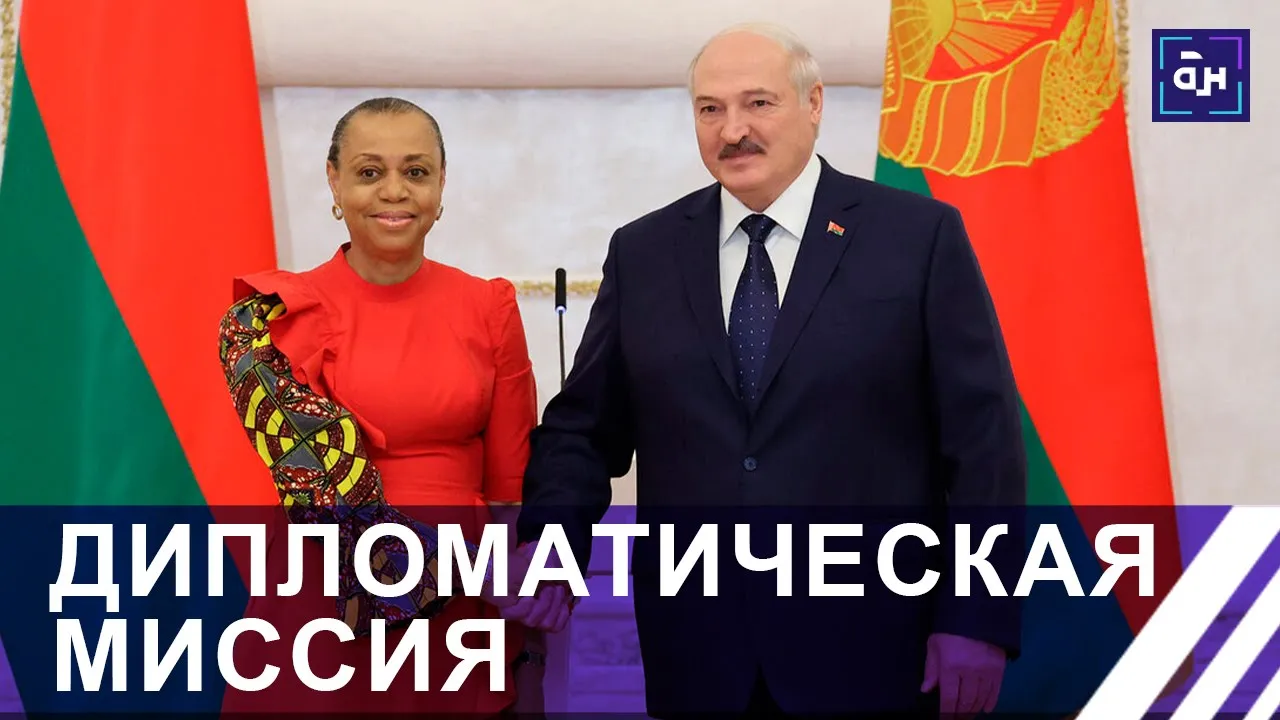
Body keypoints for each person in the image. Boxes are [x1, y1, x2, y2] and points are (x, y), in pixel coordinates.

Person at [515, 23, 1027, 718]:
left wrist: (977, 616)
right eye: (710, 109)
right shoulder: (644, 251)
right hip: (700, 650)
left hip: (877, 642)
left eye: (758, 103)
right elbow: (583, 430)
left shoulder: (918, 236)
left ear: (814, 104)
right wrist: (553, 537)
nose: (733, 131)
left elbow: (983, 445)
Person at [216, 97, 571, 717]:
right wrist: (477, 572)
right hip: (326, 599)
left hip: (468, 614)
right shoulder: (267, 318)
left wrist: (531, 593)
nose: (395, 191)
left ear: (441, 183)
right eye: (369, 171)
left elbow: (512, 490)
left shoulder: (489, 306)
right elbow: (325, 496)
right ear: (334, 181)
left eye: (416, 171)